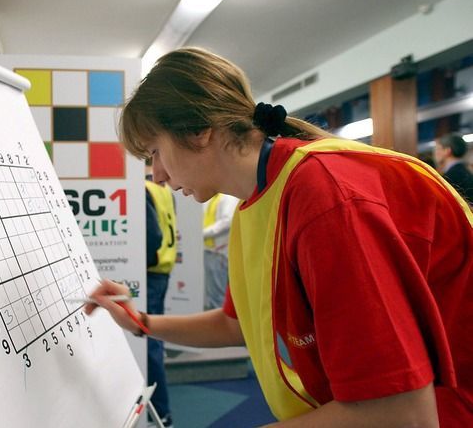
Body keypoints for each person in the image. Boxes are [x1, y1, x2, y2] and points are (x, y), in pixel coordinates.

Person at [86, 47, 473, 427]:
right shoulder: (257, 201)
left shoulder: (325, 196)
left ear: (200, 131)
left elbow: (400, 413)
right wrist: (142, 322)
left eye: (155, 151)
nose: (157, 175)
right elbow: (236, 325)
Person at [144, 166, 178, 427]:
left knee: (150, 343)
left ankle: (160, 411)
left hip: (149, 271)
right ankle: (161, 410)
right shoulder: (164, 190)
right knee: (153, 341)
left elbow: (152, 238)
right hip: (163, 269)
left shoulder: (143, 189)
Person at [202, 193, 239, 309]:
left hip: (219, 252)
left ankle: (219, 324)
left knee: (217, 297)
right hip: (210, 250)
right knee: (214, 294)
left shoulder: (228, 197)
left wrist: (204, 233)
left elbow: (227, 221)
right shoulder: (213, 198)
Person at [434, 132, 473, 204]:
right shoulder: (466, 172)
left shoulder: (450, 177)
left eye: (438, 149)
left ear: (447, 151)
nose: (435, 153)